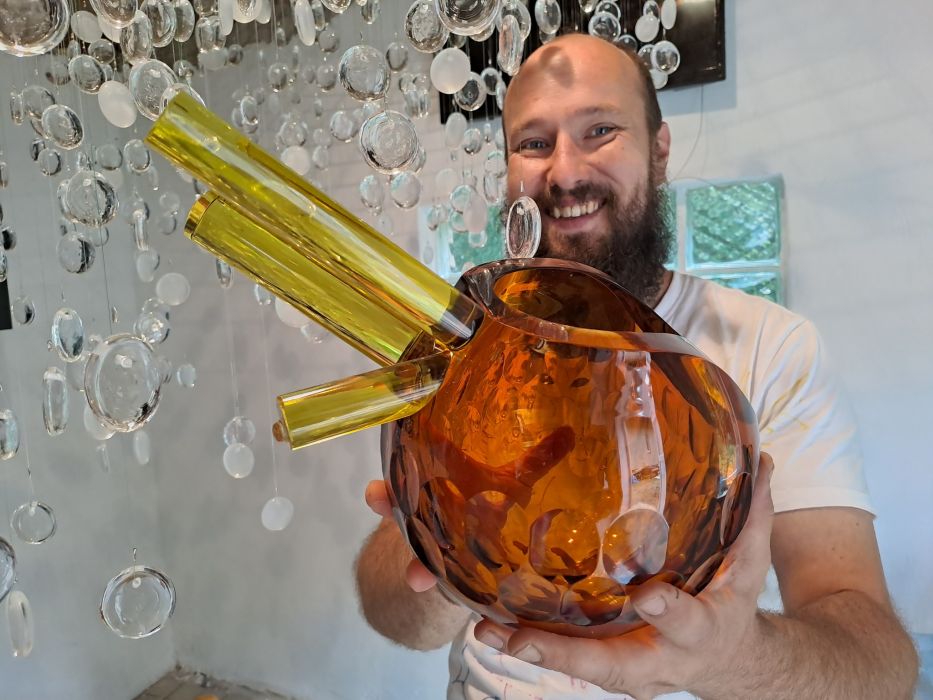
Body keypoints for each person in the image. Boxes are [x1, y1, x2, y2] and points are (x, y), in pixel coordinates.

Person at [355, 34, 919, 699]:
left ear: (658, 149)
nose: (564, 173)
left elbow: (881, 670)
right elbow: (393, 616)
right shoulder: (462, 347)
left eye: (600, 131)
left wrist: (728, 659)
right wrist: (454, 537)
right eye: (533, 143)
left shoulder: (772, 347)